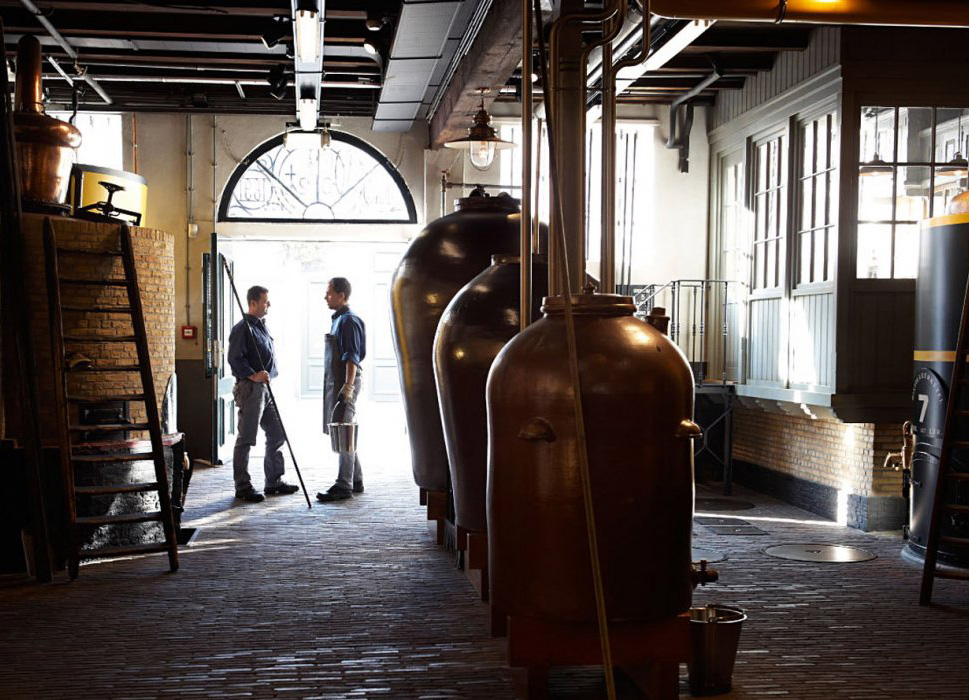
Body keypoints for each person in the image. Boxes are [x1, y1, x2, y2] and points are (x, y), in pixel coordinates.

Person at [227, 285, 300, 503]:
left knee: (277, 432)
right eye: (265, 301)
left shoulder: (260, 327)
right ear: (253, 303)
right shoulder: (242, 328)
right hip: (251, 389)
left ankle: (274, 482)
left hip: (266, 388)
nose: (269, 305)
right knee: (247, 437)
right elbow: (234, 358)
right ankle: (243, 486)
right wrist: (253, 375)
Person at [317, 277, 366, 502]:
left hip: (346, 382)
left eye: (329, 292)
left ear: (341, 295)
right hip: (338, 382)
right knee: (343, 430)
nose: (325, 296)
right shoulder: (338, 320)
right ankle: (356, 479)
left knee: (344, 430)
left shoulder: (348, 321)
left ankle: (343, 485)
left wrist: (348, 387)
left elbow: (351, 357)